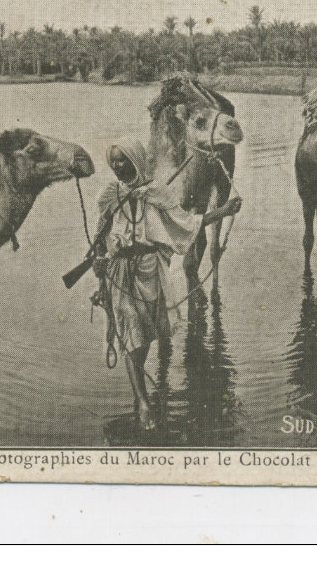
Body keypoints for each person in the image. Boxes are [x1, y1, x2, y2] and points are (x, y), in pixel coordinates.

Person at [92, 137, 242, 429]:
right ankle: (145, 404)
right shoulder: (110, 196)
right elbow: (100, 238)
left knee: (145, 336)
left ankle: (140, 395)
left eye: (123, 160)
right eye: (114, 162)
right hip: (120, 272)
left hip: (151, 272)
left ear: (135, 160)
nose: (118, 167)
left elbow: (187, 223)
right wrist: (99, 266)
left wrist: (223, 211)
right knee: (132, 335)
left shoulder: (158, 193)